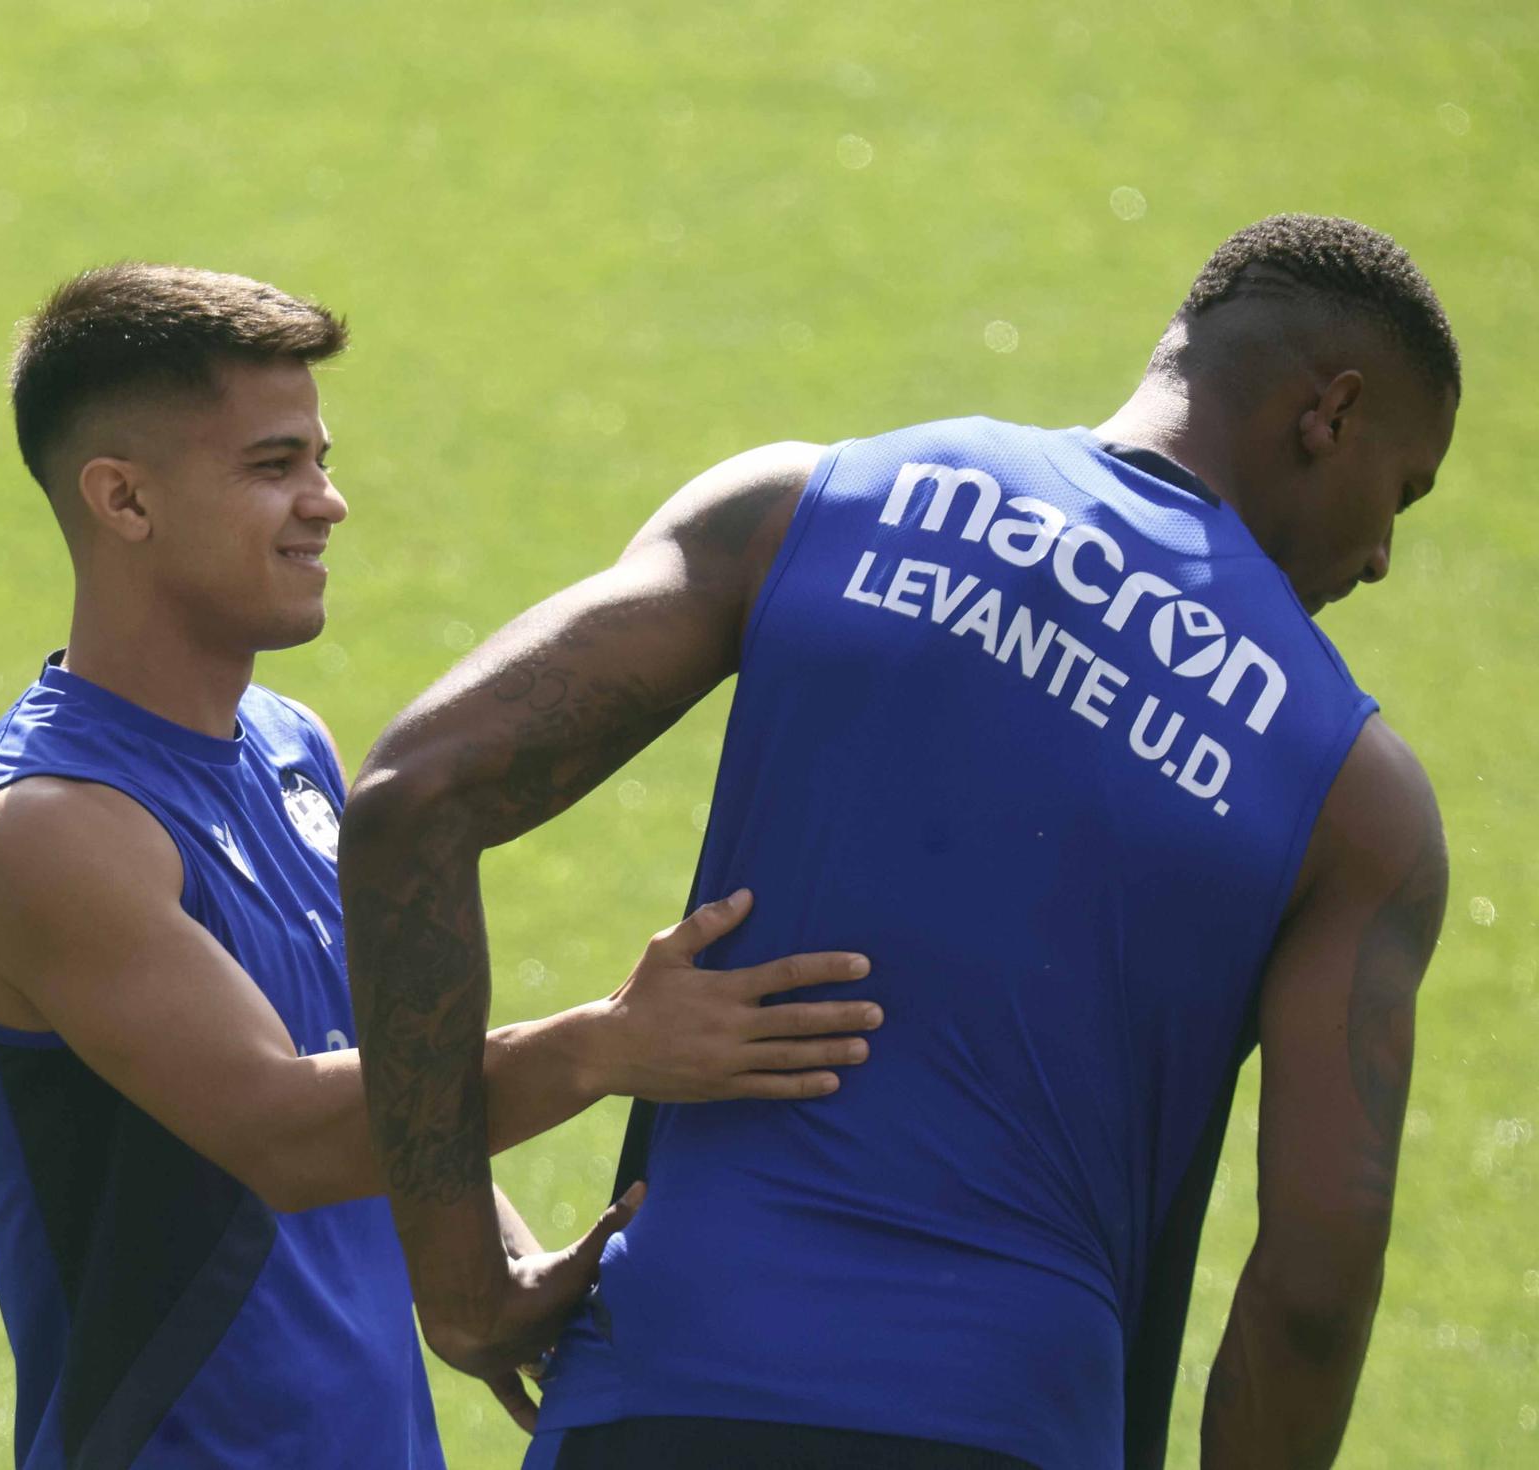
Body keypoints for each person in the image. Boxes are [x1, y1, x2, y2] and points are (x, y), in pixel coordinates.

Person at [339, 214, 1459, 1469]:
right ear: (1330, 412)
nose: (1375, 556)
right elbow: (1311, 1291)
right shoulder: (1352, 795)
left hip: (662, 1390)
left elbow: (411, 796)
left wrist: (461, 1288)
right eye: (1399, 493)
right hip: (1004, 1425)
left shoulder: (802, 503)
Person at [0, 263, 884, 1469]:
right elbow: (285, 1129)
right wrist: (605, 1044)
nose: (326, 503)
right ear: (122, 501)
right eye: (272, 467)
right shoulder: (53, 831)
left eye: (319, 459)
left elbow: (372, 1061)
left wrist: (500, 1269)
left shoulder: (289, 749)